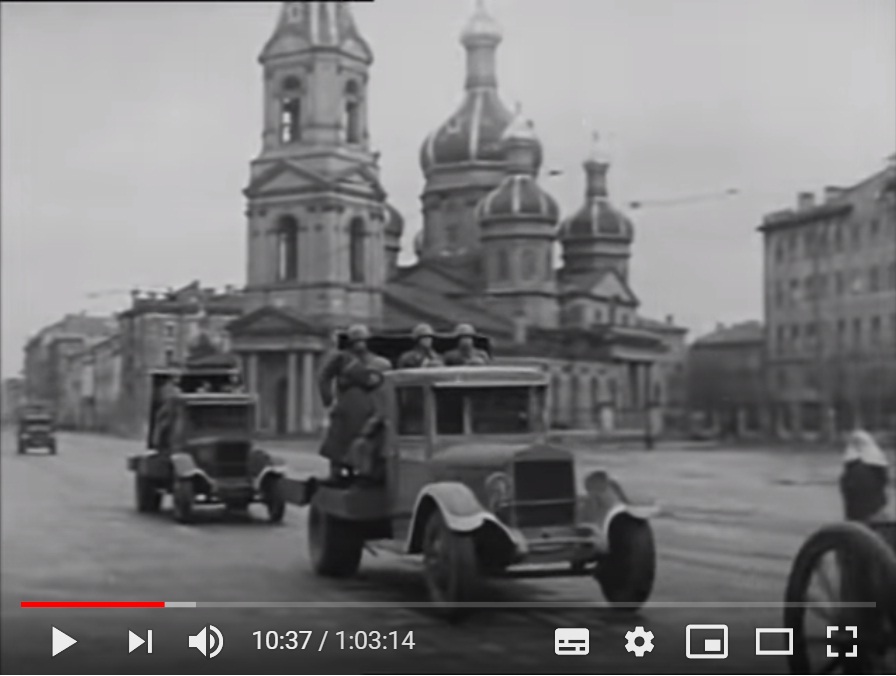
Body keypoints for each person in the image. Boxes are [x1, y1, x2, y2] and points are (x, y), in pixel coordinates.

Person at [317, 324, 391, 477]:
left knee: (367, 439)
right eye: (356, 341)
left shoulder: (376, 361)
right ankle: (336, 472)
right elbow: (324, 376)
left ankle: (365, 472)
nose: (360, 344)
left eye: (362, 340)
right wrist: (328, 399)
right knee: (338, 441)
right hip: (346, 405)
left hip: (369, 406)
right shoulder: (342, 358)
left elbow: (382, 384)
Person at [839, 429, 891, 522]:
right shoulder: (877, 464)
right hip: (874, 510)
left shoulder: (851, 466)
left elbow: (845, 488)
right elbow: (884, 482)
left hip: (854, 513)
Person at [152, 375, 181, 451]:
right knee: (164, 426)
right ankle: (160, 443)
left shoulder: (166, 389)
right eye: (177, 377)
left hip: (168, 409)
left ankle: (158, 443)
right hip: (169, 409)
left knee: (163, 426)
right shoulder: (173, 390)